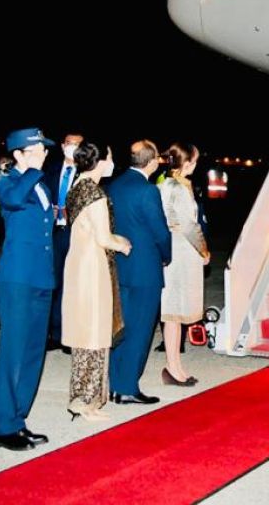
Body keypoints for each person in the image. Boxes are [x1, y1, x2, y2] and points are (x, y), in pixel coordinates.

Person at [0, 128, 56, 451]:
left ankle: (19, 419)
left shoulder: (41, 184)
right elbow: (13, 201)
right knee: (13, 353)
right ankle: (3, 426)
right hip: (17, 278)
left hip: (41, 278)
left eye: (44, 148)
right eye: (37, 148)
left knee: (33, 352)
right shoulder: (5, 181)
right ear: (18, 153)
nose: (44, 152)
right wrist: (30, 170)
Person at [62, 142, 130, 419]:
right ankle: (87, 401)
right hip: (94, 268)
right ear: (100, 161)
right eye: (110, 157)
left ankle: (80, 396)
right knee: (94, 331)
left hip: (77, 264)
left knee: (82, 329)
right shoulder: (96, 194)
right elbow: (104, 238)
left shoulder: (76, 188)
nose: (113, 162)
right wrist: (123, 243)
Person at [107, 140, 171, 405]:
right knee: (141, 329)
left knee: (120, 327)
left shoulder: (115, 185)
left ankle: (114, 382)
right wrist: (166, 257)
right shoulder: (148, 191)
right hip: (145, 270)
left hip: (120, 267)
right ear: (151, 161)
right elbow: (160, 231)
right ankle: (127, 387)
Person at [158, 143, 209, 386]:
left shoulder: (170, 183)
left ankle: (175, 365)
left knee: (174, 313)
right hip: (180, 250)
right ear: (186, 163)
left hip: (177, 248)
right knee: (173, 311)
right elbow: (189, 225)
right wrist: (204, 249)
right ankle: (172, 366)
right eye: (195, 161)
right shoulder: (176, 188)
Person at [47, 133, 83, 349]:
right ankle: (53, 333)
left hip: (76, 234)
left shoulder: (87, 172)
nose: (73, 148)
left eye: (78, 145)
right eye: (70, 144)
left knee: (74, 285)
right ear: (62, 146)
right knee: (54, 283)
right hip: (53, 233)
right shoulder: (49, 171)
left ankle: (70, 335)